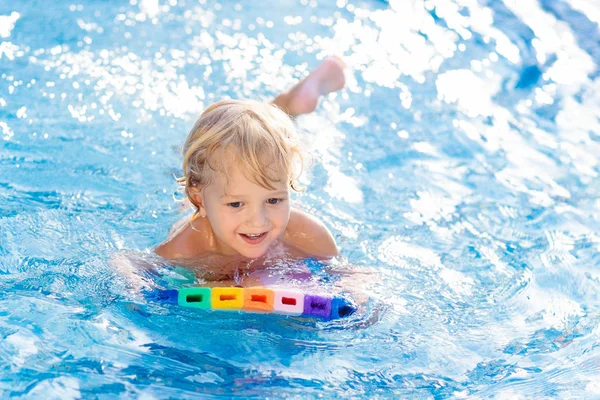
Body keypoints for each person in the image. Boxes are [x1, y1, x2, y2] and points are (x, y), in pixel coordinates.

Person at [152, 56, 347, 286]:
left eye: (274, 200)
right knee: (193, 163)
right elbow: (133, 268)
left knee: (262, 150)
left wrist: (354, 292)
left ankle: (288, 106)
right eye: (236, 204)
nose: (258, 221)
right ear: (199, 200)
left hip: (224, 191)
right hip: (199, 206)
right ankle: (287, 106)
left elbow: (353, 277)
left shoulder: (306, 233)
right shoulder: (190, 244)